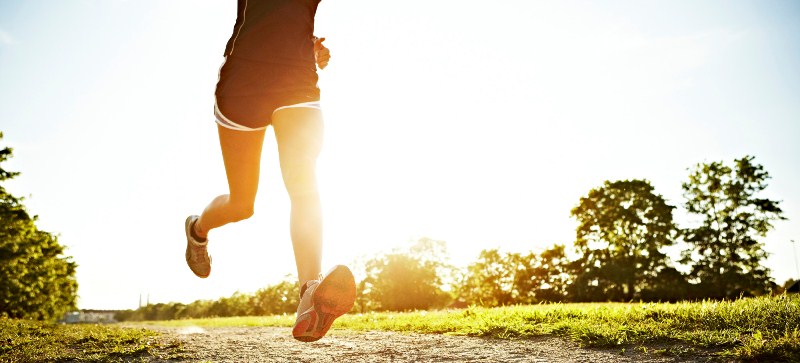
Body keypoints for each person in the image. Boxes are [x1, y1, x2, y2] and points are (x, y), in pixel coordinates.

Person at [183, 0, 355, 342]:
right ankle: (198, 230)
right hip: (243, 83)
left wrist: (308, 43)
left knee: (303, 179)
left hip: (297, 80)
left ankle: (310, 293)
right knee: (242, 204)